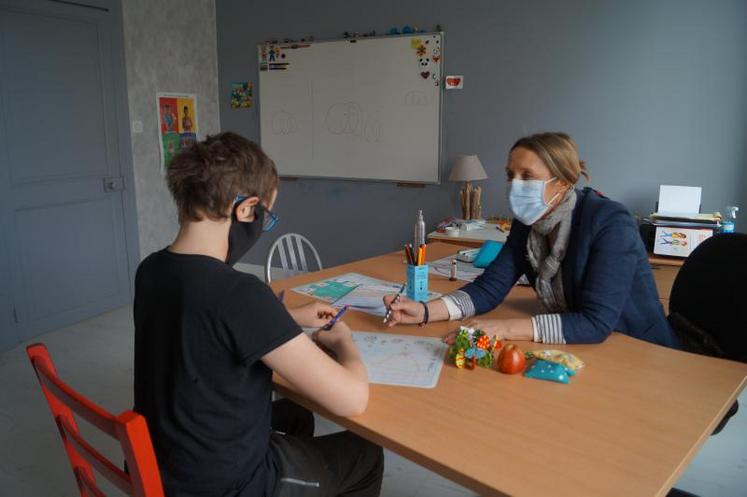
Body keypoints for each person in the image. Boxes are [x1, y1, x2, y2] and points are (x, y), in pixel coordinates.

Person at [134, 131, 383, 497]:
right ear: (246, 208)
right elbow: (352, 399)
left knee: (296, 415)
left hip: (165, 463)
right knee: (366, 455)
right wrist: (345, 344)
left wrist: (288, 316)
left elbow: (203, 319)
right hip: (221, 486)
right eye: (263, 216)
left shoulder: (151, 269)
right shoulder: (240, 294)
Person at [385, 132, 679, 348]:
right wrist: (425, 311)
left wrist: (505, 329)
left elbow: (596, 322)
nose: (515, 185)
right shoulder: (528, 224)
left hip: (636, 347)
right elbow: (490, 288)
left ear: (563, 182)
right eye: (511, 175)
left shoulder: (610, 223)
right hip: (581, 345)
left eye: (527, 176)